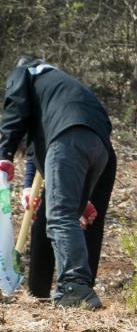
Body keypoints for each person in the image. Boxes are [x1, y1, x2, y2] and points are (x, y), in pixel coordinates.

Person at [0, 56, 116, 308]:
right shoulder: (64, 87)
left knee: (60, 216)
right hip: (100, 147)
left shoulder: (25, 73)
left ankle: (74, 285)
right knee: (70, 213)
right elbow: (39, 144)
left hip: (68, 141)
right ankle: (77, 286)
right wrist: (81, 199)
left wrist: (5, 154)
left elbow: (15, 110)